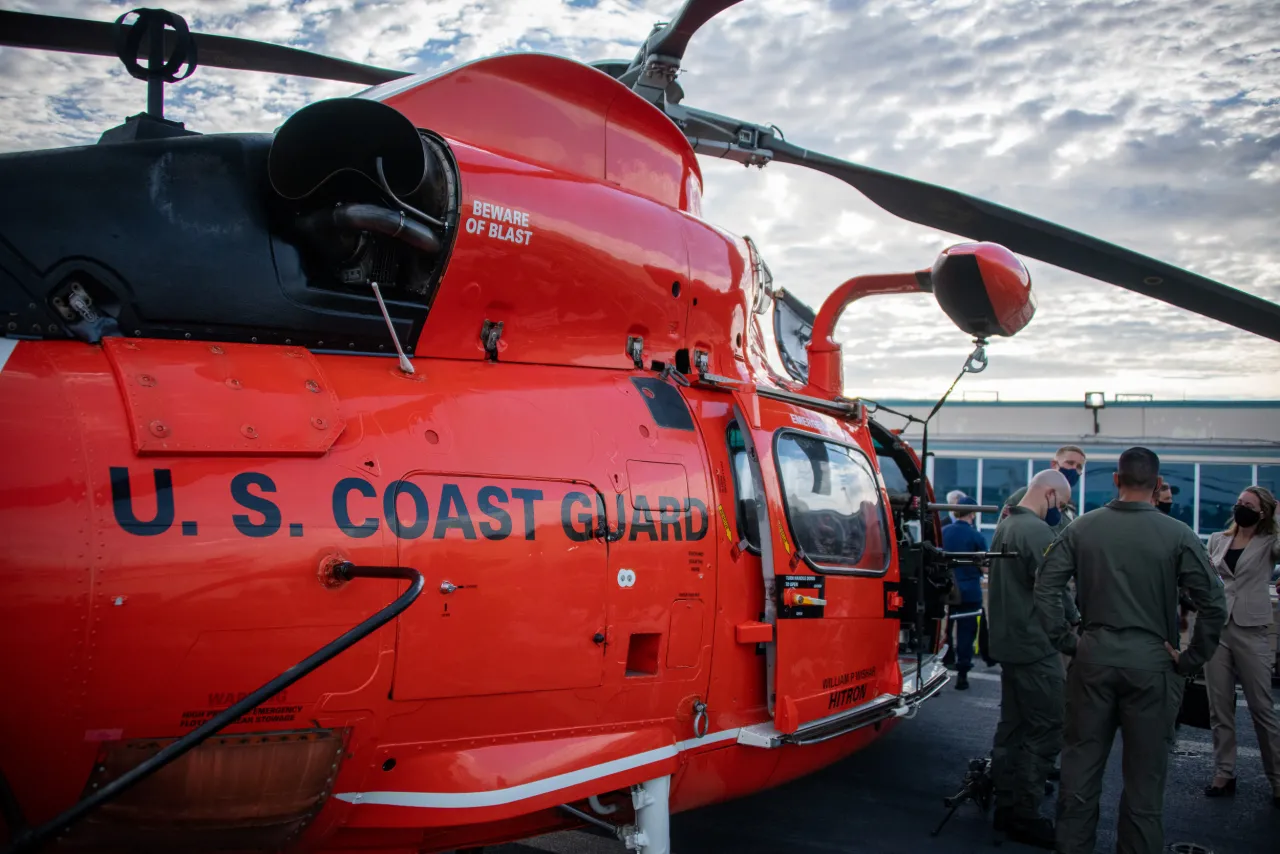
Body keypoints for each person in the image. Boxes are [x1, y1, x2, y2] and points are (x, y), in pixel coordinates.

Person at [1033, 447, 1225, 854]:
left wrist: (1067, 641)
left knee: (1079, 774)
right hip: (1153, 666)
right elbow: (1214, 603)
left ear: (1116, 481)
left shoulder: (1082, 528)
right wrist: (1191, 660)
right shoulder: (1178, 534)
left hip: (1093, 658)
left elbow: (1046, 586)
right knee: (1144, 785)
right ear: (1157, 486)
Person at [987, 469, 1072, 848]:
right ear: (1050, 494)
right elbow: (1054, 591)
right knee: (1046, 727)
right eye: (1063, 504)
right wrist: (1073, 630)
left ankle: (1006, 805)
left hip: (1009, 642)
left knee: (1013, 729)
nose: (1061, 512)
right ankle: (1025, 812)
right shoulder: (1037, 533)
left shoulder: (1006, 526)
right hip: (1036, 646)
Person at [1203, 485, 1280, 808]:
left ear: (1263, 512)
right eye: (1238, 503)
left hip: (1252, 628)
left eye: (1248, 505)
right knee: (1219, 707)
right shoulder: (1218, 539)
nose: (1240, 508)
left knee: (1262, 708)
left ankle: (1277, 778)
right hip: (1219, 627)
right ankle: (1224, 772)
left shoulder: (1269, 543)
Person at [942, 496, 987, 690]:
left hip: (946, 591)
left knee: (943, 630)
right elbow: (986, 568)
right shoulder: (976, 536)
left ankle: (941, 665)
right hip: (970, 592)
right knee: (967, 633)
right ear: (972, 513)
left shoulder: (943, 532)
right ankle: (962, 673)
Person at [1001, 445, 1087, 529]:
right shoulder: (1026, 495)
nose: (1074, 469)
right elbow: (1005, 531)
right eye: (1070, 463)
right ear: (1054, 464)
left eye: (1079, 467)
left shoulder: (1069, 510)